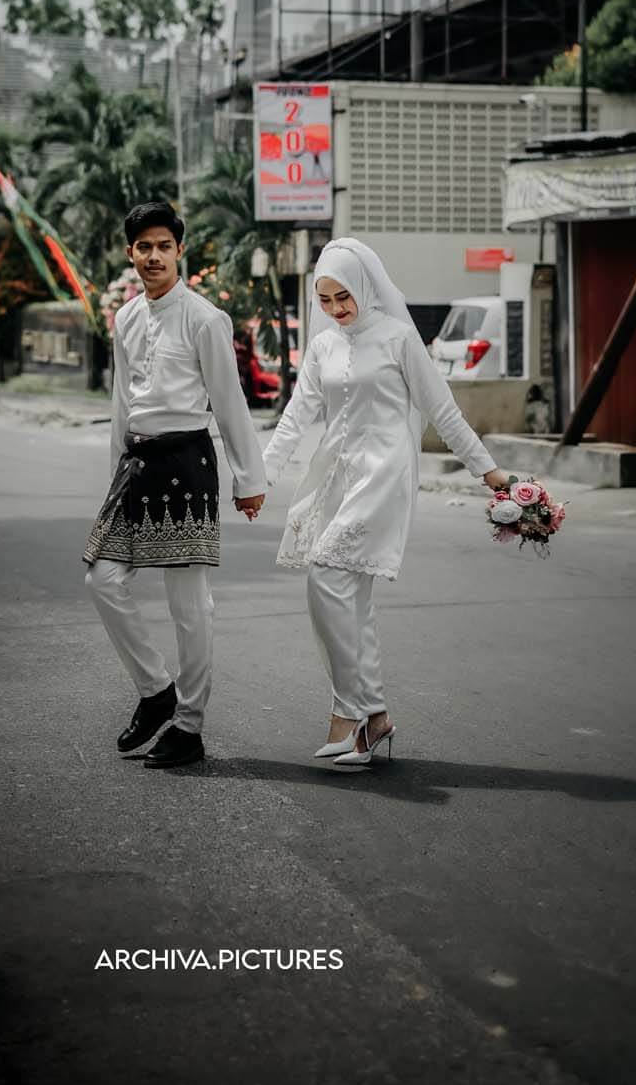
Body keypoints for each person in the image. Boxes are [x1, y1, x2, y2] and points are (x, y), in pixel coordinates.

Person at [262, 238, 509, 768]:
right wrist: (259, 477)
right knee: (351, 601)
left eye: (343, 297)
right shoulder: (323, 346)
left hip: (383, 477)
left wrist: (487, 471)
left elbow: (442, 410)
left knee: (325, 576)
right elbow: (296, 416)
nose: (336, 309)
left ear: (364, 287)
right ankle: (373, 720)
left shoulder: (397, 339)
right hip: (337, 479)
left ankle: (351, 713)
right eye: (325, 300)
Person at [83, 202, 266, 768]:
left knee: (189, 606)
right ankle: (156, 690)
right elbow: (121, 403)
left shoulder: (205, 319)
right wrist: (114, 472)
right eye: (144, 246)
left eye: (164, 245)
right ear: (131, 253)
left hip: (187, 465)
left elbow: (229, 402)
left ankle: (189, 726)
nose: (154, 256)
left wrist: (249, 478)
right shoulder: (125, 318)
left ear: (179, 251)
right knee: (102, 579)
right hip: (137, 466)